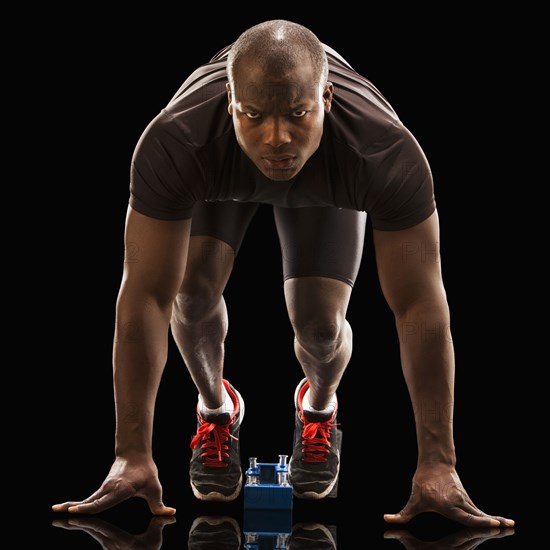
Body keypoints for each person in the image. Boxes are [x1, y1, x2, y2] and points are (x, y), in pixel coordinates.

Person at [52, 20, 514, 528]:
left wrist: (439, 465)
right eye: (254, 115)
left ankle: (318, 409)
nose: (277, 138)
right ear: (231, 100)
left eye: (297, 114)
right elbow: (143, 297)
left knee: (319, 327)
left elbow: (420, 308)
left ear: (328, 99)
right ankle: (215, 412)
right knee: (190, 295)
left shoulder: (382, 152)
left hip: (329, 169)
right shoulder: (179, 140)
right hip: (219, 166)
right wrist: (131, 455)